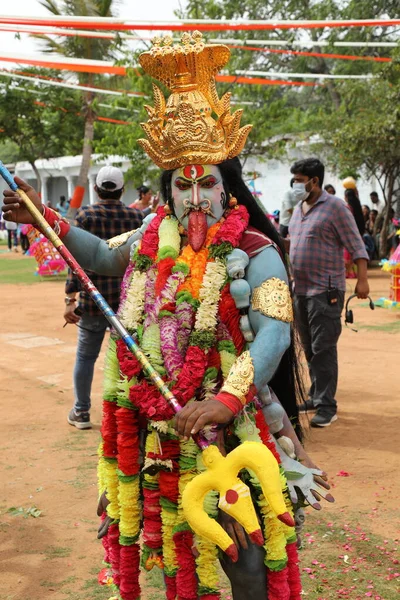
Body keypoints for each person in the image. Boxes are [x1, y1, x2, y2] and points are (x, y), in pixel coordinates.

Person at [3, 34, 334, 600]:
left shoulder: (257, 251)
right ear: (169, 191)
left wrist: (225, 400)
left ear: (228, 189)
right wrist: (46, 219)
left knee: (247, 559)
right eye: (184, 184)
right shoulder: (152, 236)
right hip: (156, 425)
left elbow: (275, 335)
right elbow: (105, 256)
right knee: (178, 553)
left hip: (231, 428)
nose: (196, 198)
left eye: (208, 183)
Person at [289, 157, 369, 427]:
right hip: (300, 290)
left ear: (314, 180)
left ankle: (327, 405)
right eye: (295, 180)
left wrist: (362, 281)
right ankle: (316, 395)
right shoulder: (299, 208)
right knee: (310, 348)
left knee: (323, 349)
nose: (296, 185)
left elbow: (357, 246)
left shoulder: (336, 208)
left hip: (326, 291)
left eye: (300, 180)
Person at [64, 166, 144, 429]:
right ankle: (128, 414)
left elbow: (73, 259)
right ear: (122, 190)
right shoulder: (135, 217)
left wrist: (70, 299)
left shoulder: (86, 215)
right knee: (127, 359)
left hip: (93, 302)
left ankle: (82, 412)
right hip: (127, 302)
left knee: (86, 357)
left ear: (96, 189)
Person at [344, 188, 365, 278]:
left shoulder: (347, 207)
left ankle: (348, 273)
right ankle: (354, 272)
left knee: (347, 254)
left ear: (346, 197)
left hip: (348, 233)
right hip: (357, 233)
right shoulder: (358, 207)